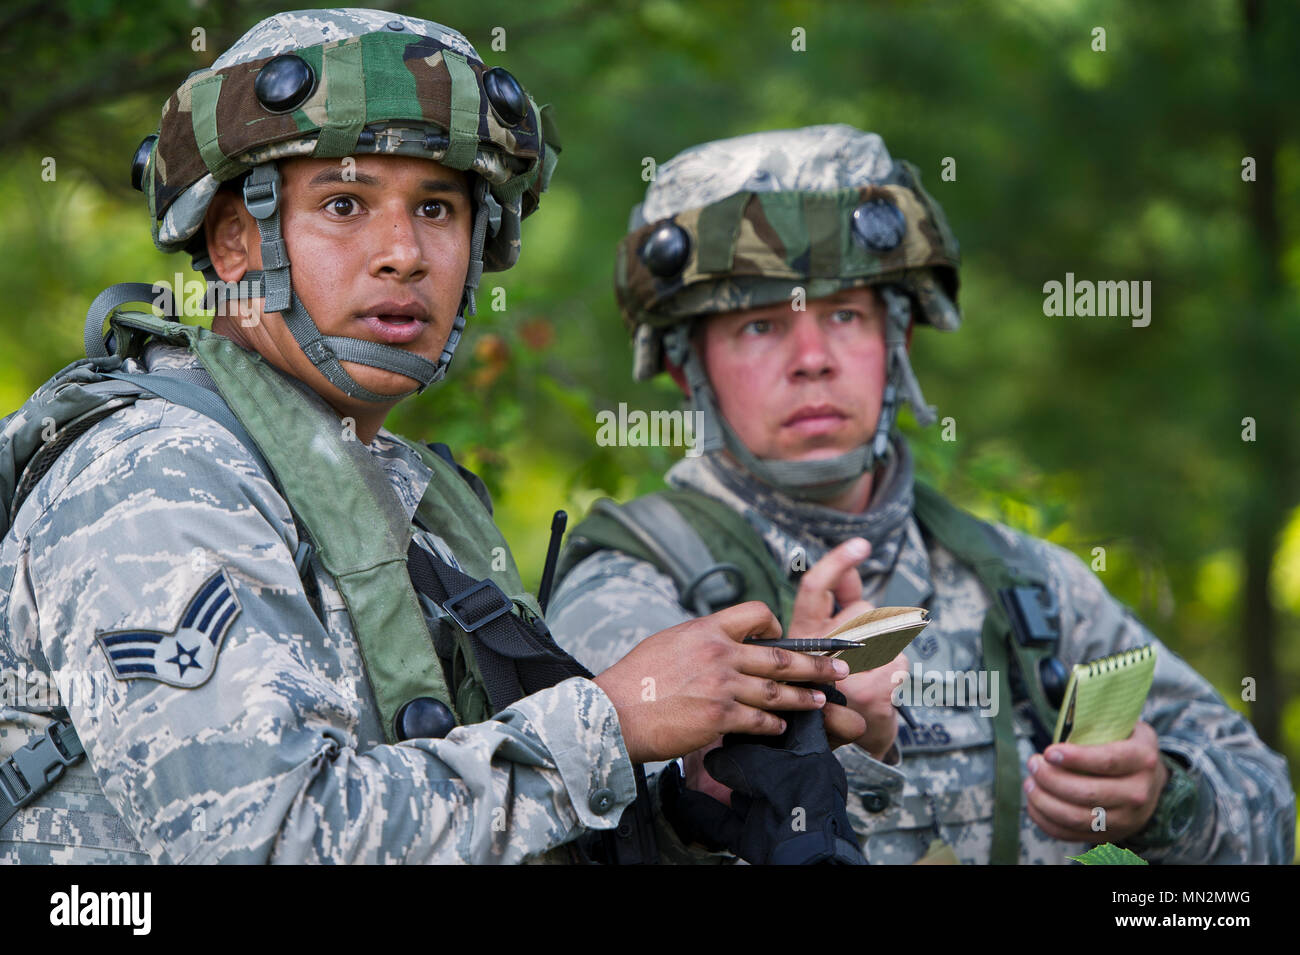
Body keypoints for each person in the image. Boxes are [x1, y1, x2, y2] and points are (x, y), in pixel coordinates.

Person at [0, 10, 864, 865]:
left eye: (439, 209)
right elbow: (263, 842)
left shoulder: (398, 493)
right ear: (235, 243)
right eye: (345, 204)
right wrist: (611, 716)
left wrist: (689, 802)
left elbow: (462, 810)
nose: (403, 253)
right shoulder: (157, 474)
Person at [547, 124, 1297, 864]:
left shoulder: (1021, 585)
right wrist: (818, 747)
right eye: (760, 325)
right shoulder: (626, 595)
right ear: (689, 370)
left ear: (897, 342)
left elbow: (1271, 816)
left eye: (845, 314)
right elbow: (581, 843)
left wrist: (1163, 800)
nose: (813, 359)